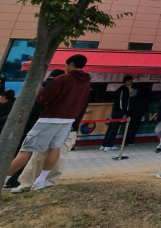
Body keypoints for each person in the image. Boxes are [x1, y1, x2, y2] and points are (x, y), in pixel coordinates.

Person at [4, 54, 91, 191]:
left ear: (72, 64)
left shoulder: (63, 78)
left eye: (66, 64)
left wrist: (39, 91)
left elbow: (44, 97)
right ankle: (42, 180)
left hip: (50, 117)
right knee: (55, 147)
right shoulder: (86, 81)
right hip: (68, 120)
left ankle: (5, 178)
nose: (66, 67)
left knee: (27, 149)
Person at [100, 75, 134, 151]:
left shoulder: (123, 89)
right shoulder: (123, 89)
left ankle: (104, 144)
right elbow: (121, 101)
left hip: (116, 110)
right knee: (114, 128)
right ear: (127, 81)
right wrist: (124, 111)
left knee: (111, 127)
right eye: (131, 81)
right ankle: (109, 145)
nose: (132, 82)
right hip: (118, 111)